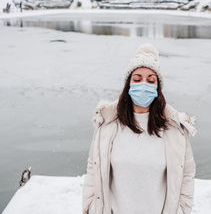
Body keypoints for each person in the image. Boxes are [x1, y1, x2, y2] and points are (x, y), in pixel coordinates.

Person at [82, 43, 197, 214]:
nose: (144, 84)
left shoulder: (175, 129)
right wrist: (90, 207)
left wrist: (182, 210)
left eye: (151, 80)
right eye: (137, 79)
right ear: (128, 85)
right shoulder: (107, 124)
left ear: (158, 89)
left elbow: (186, 175)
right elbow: (93, 170)